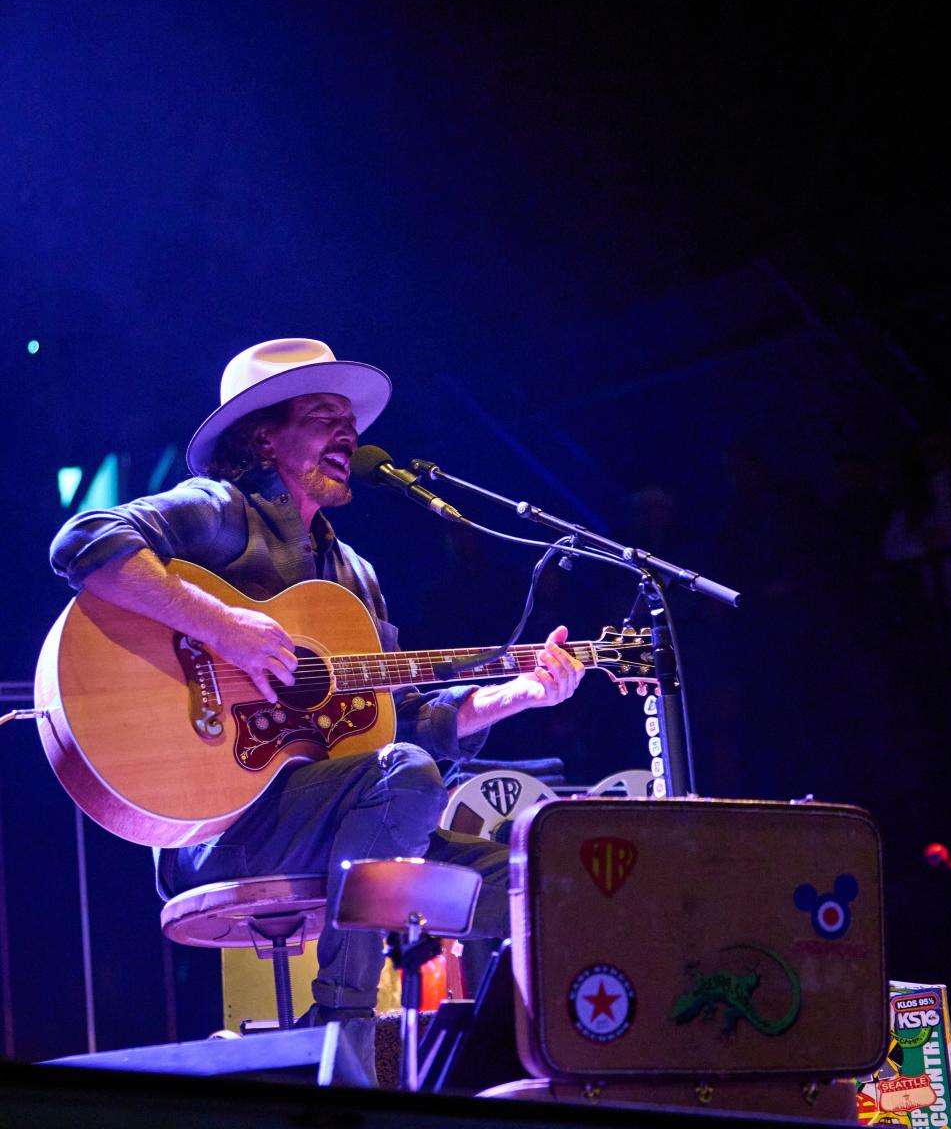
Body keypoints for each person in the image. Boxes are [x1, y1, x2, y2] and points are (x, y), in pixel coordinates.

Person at [49, 338, 584, 1085]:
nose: (349, 435)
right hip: (225, 830)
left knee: (542, 880)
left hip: (346, 824)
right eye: (324, 417)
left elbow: (392, 731)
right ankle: (344, 1034)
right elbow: (85, 542)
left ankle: (515, 1075)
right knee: (403, 776)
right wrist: (225, 627)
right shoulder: (221, 513)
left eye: (350, 422)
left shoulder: (355, 576)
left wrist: (513, 695)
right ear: (264, 436)